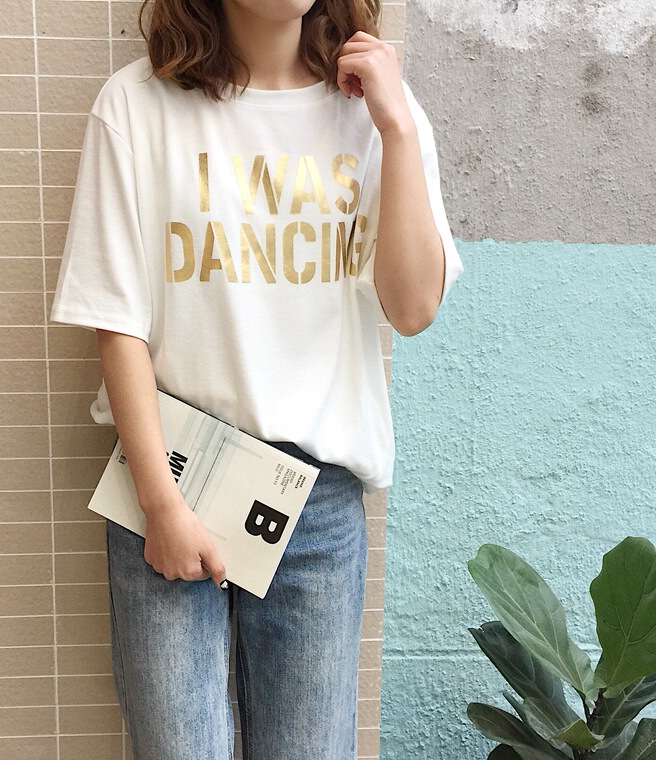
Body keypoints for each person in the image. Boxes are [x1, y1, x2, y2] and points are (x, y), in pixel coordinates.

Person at [49, 0, 464, 757]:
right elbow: (116, 320)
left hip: (317, 502)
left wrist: (397, 128)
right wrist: (161, 502)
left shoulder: (379, 112)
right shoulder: (136, 105)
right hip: (172, 479)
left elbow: (412, 309)